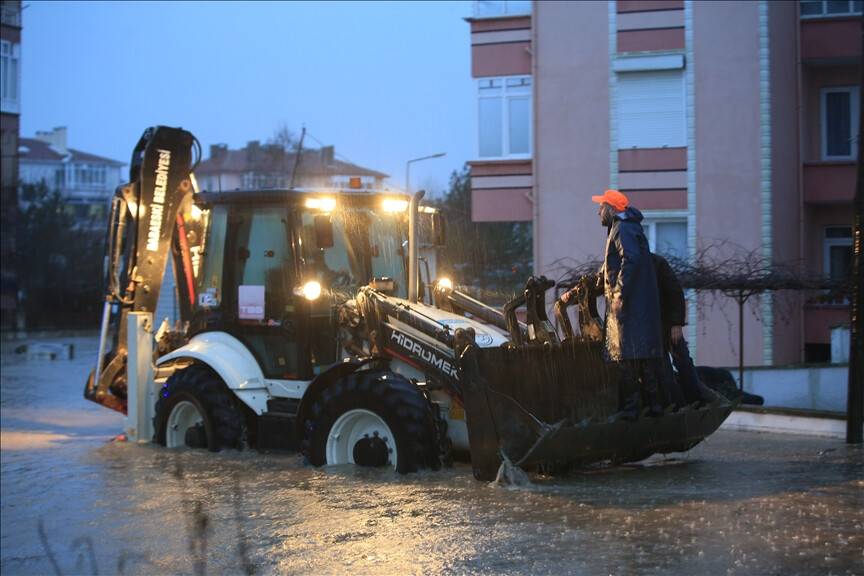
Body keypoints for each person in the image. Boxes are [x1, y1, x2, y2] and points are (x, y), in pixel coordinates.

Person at [591, 189, 664, 420]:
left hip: (628, 307)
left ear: (611, 209)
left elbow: (629, 259)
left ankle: (632, 411)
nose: (598, 211)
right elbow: (614, 263)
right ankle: (654, 409)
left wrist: (619, 293)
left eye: (601, 207)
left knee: (627, 358)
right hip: (635, 307)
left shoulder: (622, 229)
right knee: (639, 358)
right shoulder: (626, 227)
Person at [652, 253, 706, 406]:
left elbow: (675, 292)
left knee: (683, 363)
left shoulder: (657, 263)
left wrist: (676, 324)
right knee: (664, 370)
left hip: (667, 326)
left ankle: (697, 400)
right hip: (652, 331)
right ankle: (677, 404)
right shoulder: (633, 266)